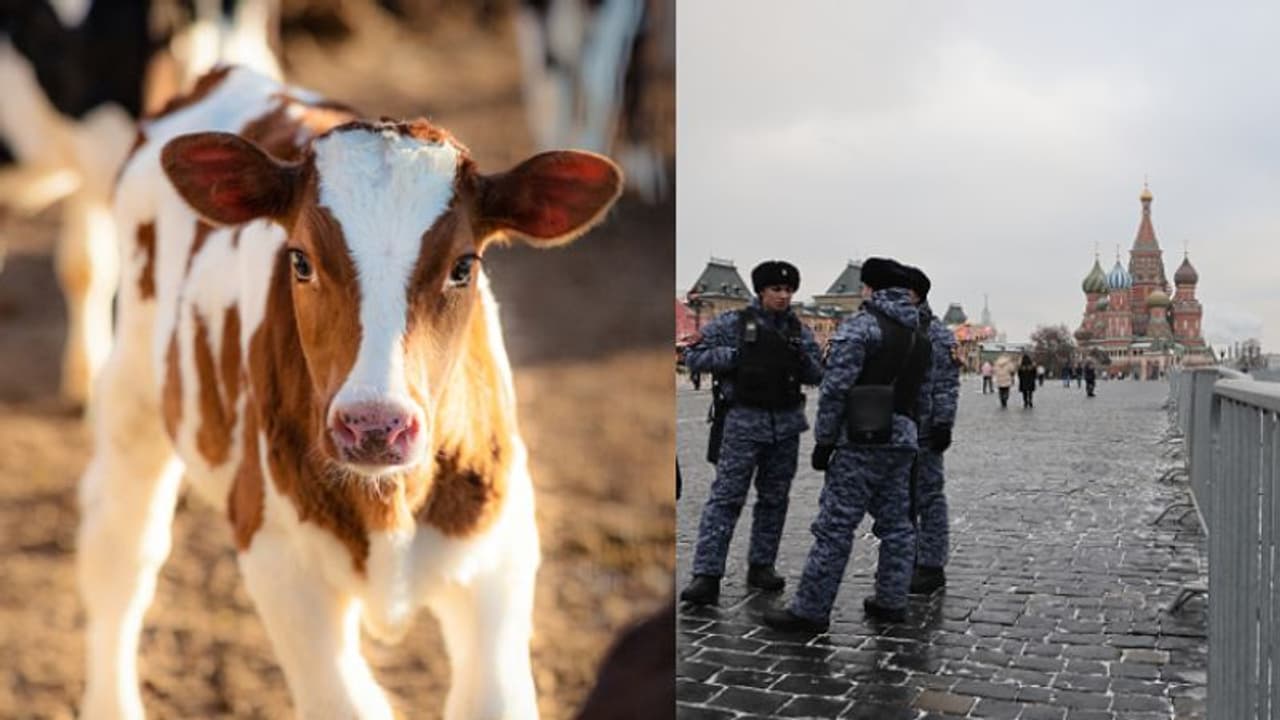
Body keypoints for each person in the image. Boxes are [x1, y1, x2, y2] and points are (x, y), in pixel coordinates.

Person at [763, 258, 932, 631]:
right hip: (902, 439)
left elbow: (836, 388)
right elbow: (925, 396)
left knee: (835, 526)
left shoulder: (862, 327)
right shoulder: (920, 338)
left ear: (869, 288)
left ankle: (810, 609)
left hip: (861, 440)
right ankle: (891, 600)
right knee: (898, 526)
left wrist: (824, 440)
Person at [679, 261, 823, 605]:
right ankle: (707, 574)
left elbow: (818, 374)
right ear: (761, 291)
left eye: (788, 291)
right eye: (776, 289)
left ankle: (762, 565)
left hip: (785, 426)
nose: (783, 296)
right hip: (743, 423)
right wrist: (739, 356)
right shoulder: (734, 323)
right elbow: (694, 357)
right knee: (726, 499)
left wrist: (801, 359)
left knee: (774, 500)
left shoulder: (798, 331)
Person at [900, 266, 960, 596]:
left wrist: (942, 424)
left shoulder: (935, 333)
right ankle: (904, 560)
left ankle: (931, 565)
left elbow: (947, 385)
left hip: (924, 429)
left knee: (929, 498)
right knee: (899, 500)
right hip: (895, 428)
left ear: (917, 295)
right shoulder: (892, 326)